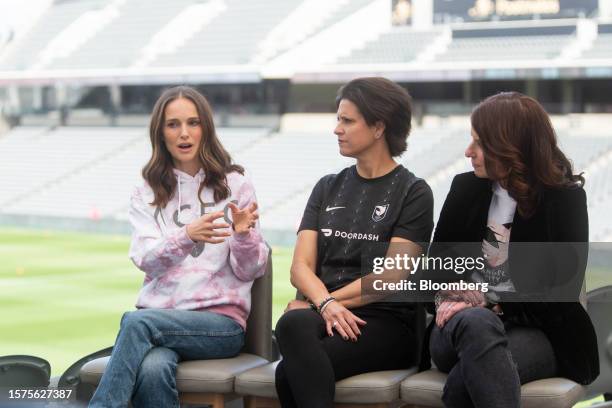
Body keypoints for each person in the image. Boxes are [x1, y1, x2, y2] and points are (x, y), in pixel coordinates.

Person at [89, 86, 269, 408]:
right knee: (154, 368)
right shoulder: (145, 190)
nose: (184, 133)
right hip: (160, 320)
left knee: (135, 321)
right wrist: (187, 236)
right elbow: (146, 260)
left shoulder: (236, 183)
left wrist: (243, 235)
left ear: (206, 129)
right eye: (173, 124)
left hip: (219, 325)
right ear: (161, 132)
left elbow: (252, 269)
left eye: (193, 123)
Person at [423, 92, 599, 408]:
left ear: (510, 147)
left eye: (479, 143)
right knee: (477, 323)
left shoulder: (563, 200)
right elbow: (430, 280)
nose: (467, 152)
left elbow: (561, 294)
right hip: (456, 330)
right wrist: (456, 298)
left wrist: (490, 302)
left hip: (537, 332)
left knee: (464, 385)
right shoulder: (465, 190)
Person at [274, 77, 434, 407]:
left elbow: (391, 277)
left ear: (378, 127)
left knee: (288, 369)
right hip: (323, 314)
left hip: (387, 322)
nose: (337, 129)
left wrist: (324, 302)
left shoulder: (414, 192)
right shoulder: (327, 187)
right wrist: (326, 306)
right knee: (292, 327)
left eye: (347, 120)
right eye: (338, 119)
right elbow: (300, 267)